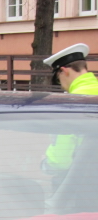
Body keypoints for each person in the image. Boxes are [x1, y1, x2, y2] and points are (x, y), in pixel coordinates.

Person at [42, 44, 98, 183]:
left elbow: (61, 161)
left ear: (64, 71)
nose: (60, 85)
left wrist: (46, 164)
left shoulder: (71, 103)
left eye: (57, 79)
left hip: (85, 184)